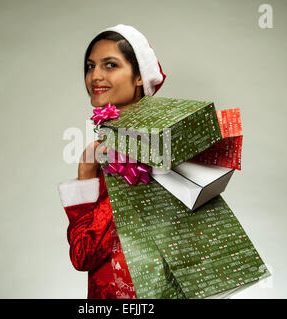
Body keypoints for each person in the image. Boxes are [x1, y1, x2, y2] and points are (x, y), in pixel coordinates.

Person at [57, 24, 166, 299]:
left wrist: (85, 172)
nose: (96, 76)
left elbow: (84, 253)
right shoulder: (159, 138)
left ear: (139, 76)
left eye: (110, 65)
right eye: (90, 66)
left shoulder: (136, 154)